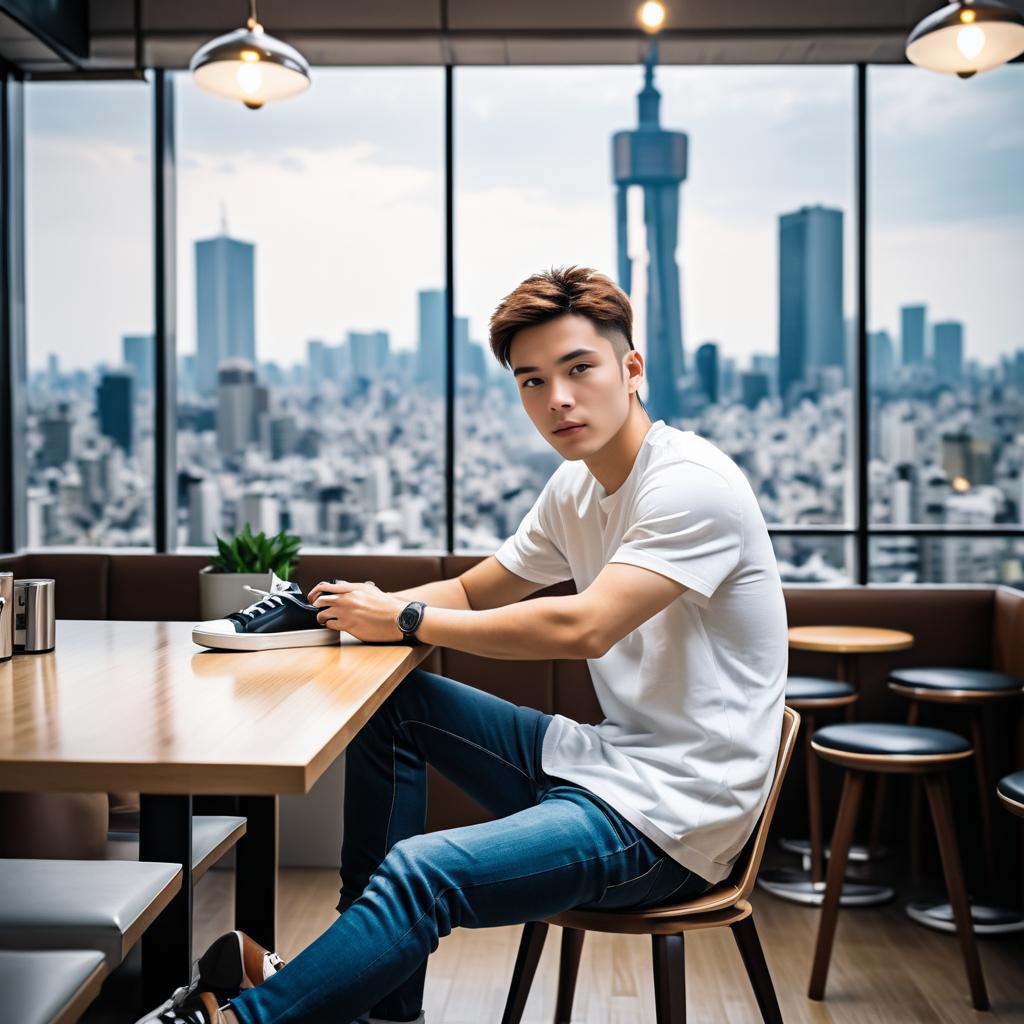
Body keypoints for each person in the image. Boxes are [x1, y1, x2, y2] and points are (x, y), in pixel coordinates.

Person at [140, 266, 788, 1024]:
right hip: (606, 764)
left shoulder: (690, 483)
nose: (558, 400)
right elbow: (479, 591)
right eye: (532, 382)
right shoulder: (575, 488)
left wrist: (407, 621)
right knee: (393, 706)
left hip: (676, 817)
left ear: (631, 369)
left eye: (579, 368)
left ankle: (245, 1018)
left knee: (424, 870)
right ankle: (379, 999)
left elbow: (585, 624)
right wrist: (355, 611)